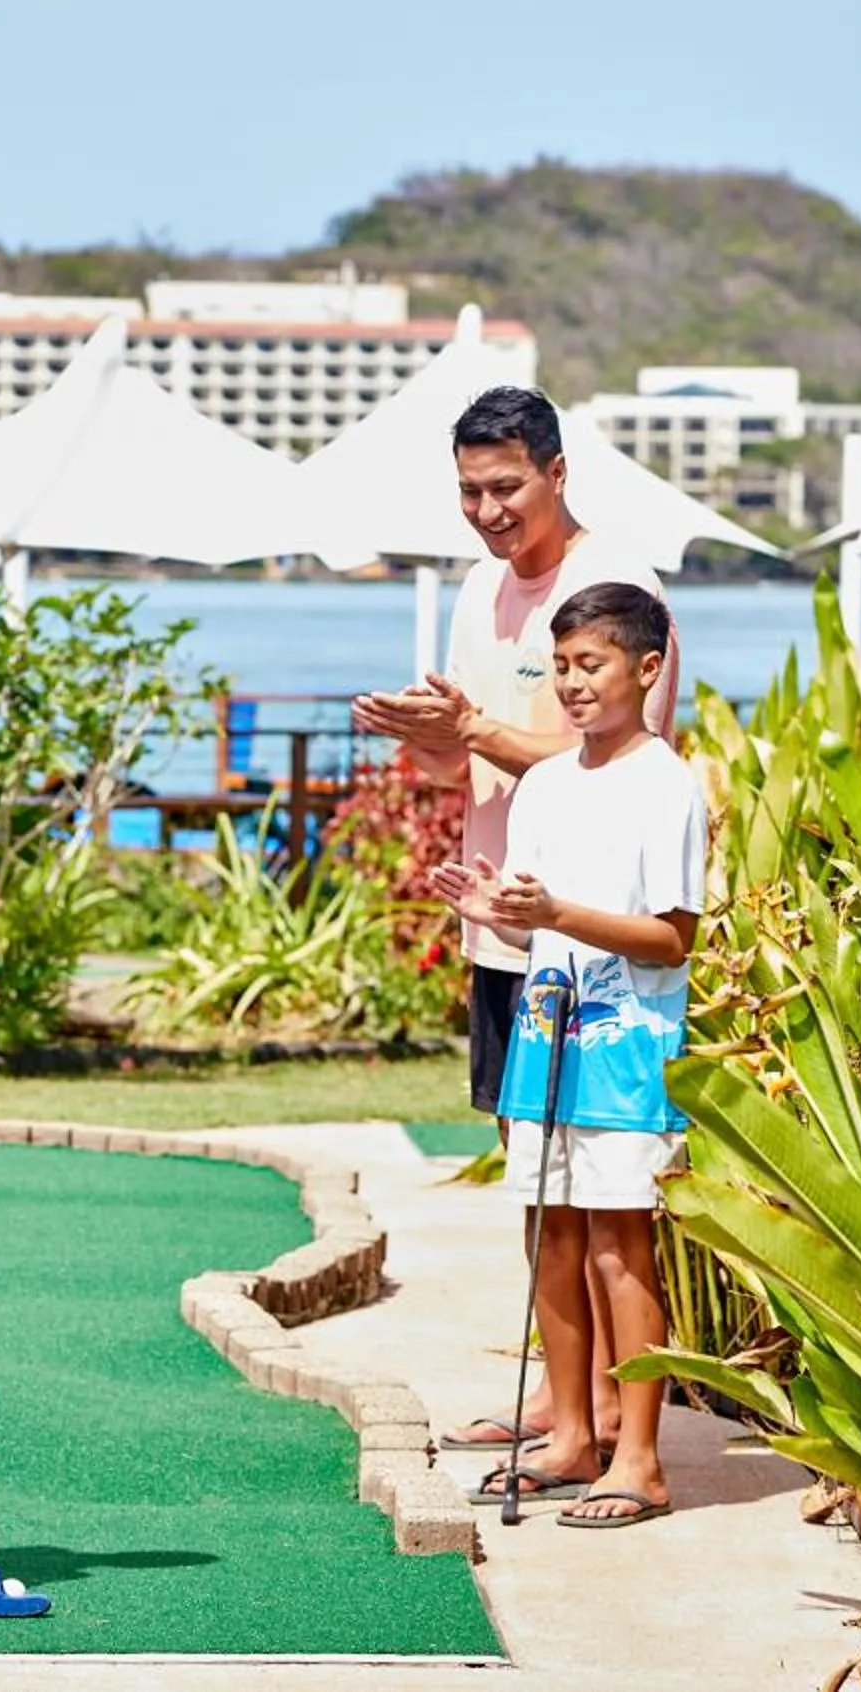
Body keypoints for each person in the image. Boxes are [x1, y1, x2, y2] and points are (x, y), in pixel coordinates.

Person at [351, 385, 675, 1457]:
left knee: (606, 1196)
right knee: (533, 1175)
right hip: (505, 929)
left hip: (599, 946)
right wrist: (425, 734)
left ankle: (624, 1422)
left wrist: (480, 724)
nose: (486, 510)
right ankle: (561, 1403)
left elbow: (614, 756)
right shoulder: (480, 593)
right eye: (468, 491)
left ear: (556, 472)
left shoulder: (615, 590)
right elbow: (468, 754)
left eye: (505, 487)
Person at [429, 582, 703, 1530]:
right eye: (561, 669)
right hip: (547, 1036)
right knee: (552, 1236)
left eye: (591, 666)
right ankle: (571, 1436)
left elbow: (672, 939)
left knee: (622, 1250)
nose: (573, 685)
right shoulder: (544, 786)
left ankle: (640, 1458)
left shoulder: (666, 782)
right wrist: (498, 910)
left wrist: (554, 915)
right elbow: (538, 913)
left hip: (629, 1046)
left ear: (648, 669)